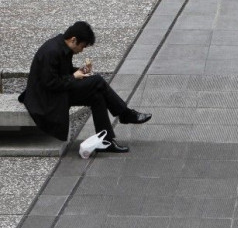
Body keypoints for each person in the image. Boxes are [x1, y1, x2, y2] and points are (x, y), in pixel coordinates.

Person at [18, 21, 151, 153]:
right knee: (97, 81)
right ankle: (125, 114)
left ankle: (107, 141)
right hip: (45, 100)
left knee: (97, 95)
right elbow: (50, 83)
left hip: (56, 92)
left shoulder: (64, 47)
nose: (82, 50)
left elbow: (64, 72)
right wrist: (74, 77)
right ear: (74, 40)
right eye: (83, 46)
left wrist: (80, 71)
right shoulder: (51, 51)